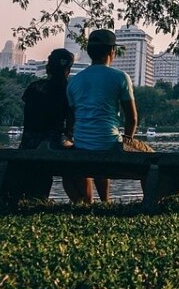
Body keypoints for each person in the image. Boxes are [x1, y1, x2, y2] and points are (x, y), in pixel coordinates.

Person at [66, 28, 152, 202]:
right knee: (151, 159)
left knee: (99, 146)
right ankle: (149, 201)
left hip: (82, 144)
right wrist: (128, 139)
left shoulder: (74, 81)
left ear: (89, 52)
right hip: (110, 144)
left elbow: (73, 118)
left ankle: (103, 202)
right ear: (112, 51)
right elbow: (132, 118)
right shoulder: (120, 77)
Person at [18, 48, 88, 202]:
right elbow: (71, 122)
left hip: (28, 143)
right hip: (54, 144)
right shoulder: (69, 90)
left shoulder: (34, 87)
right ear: (68, 70)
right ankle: (83, 201)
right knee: (81, 157)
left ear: (48, 67)